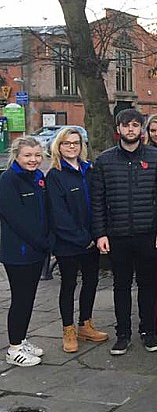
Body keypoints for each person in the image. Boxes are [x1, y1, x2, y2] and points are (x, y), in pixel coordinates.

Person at [92, 108, 157, 356]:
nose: (130, 129)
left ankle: (147, 331)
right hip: (117, 235)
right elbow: (97, 200)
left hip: (148, 233)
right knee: (121, 286)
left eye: (135, 125)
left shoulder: (156, 157)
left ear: (141, 129)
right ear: (118, 129)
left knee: (148, 284)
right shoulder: (104, 160)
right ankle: (123, 334)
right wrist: (100, 233)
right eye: (126, 125)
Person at [46, 128, 108, 353]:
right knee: (69, 285)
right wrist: (82, 239)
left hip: (91, 240)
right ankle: (68, 329)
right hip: (68, 243)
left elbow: (99, 202)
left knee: (91, 282)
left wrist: (97, 234)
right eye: (66, 143)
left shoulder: (89, 170)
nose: (72, 147)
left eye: (76, 143)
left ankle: (86, 324)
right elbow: (58, 214)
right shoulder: (55, 175)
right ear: (58, 147)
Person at [0, 137, 51, 366]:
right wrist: (42, 241)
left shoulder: (39, 177)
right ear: (17, 156)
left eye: (37, 155)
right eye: (28, 156)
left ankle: (21, 339)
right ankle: (13, 349)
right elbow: (16, 219)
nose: (33, 160)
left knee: (29, 297)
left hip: (36, 250)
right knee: (20, 299)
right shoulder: (8, 180)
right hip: (18, 252)